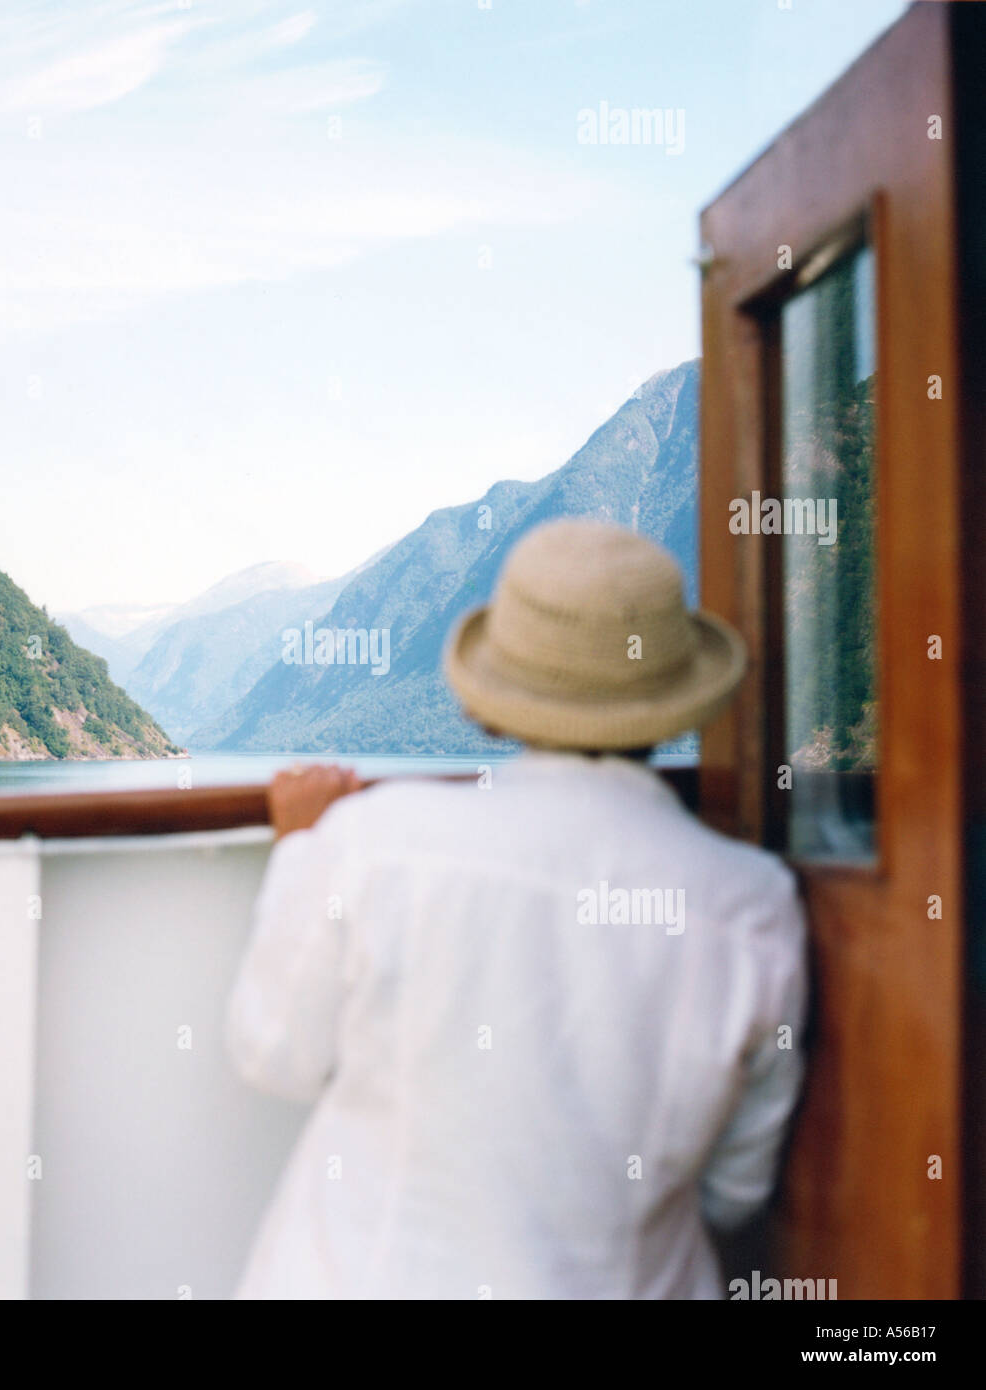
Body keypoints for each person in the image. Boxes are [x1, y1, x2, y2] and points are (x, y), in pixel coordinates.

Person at [225, 519, 807, 1299]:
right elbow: (734, 1190)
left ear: (491, 696)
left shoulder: (376, 843)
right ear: (676, 699)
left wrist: (302, 849)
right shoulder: (752, 908)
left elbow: (273, 1051)